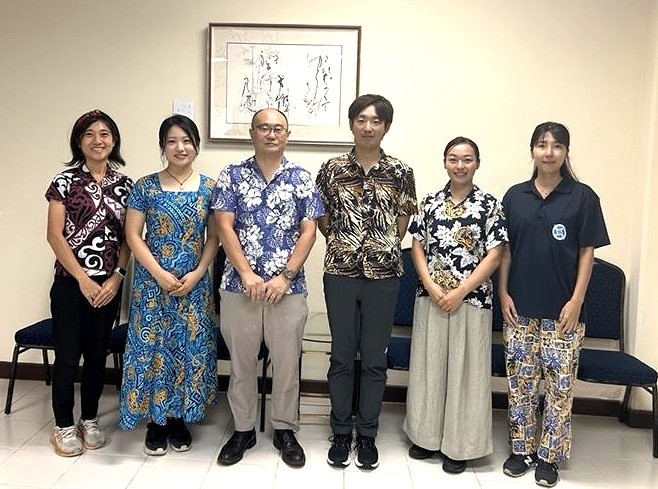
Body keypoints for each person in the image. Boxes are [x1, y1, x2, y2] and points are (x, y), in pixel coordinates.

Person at [499, 122, 610, 487]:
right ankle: (521, 451)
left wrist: (577, 300)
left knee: (559, 389)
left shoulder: (582, 197)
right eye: (542, 145)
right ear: (532, 150)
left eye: (557, 145)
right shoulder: (515, 196)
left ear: (566, 152)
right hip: (519, 309)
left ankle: (549, 457)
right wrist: (503, 293)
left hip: (563, 312)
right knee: (521, 384)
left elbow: (587, 252)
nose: (549, 152)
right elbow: (506, 250)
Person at [212, 108, 323, 468]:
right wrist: (246, 273)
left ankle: (284, 429)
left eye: (278, 129)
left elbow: (309, 231)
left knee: (287, 364)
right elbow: (224, 227)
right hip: (238, 286)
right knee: (242, 364)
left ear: (287, 135)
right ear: (252, 133)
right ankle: (243, 429)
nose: (271, 134)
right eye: (264, 128)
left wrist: (285, 276)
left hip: (287, 289)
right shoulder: (231, 175)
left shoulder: (302, 178)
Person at [316, 94, 417, 470]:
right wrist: (346, 242)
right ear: (351, 124)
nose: (368, 127)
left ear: (386, 127)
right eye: (361, 119)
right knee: (342, 356)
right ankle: (341, 432)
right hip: (340, 273)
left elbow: (402, 222)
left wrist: (378, 245)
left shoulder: (401, 171)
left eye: (376, 121)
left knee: (374, 359)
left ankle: (368, 435)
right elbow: (322, 218)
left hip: (384, 276)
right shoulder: (331, 168)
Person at [402, 137, 507, 473]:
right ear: (445, 162)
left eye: (467, 159)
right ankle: (425, 437)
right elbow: (417, 246)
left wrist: (461, 290)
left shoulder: (490, 205)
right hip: (431, 297)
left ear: (477, 163)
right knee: (429, 367)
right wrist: (431, 285)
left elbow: (495, 254)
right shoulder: (430, 202)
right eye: (453, 158)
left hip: (471, 300)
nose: (460, 165)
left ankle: (460, 446)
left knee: (466, 373)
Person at [118, 115, 219, 456]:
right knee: (154, 349)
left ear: (197, 145)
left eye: (187, 140)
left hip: (194, 285)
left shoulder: (210, 188)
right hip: (152, 285)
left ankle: (179, 419)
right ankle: (156, 422)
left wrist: (199, 273)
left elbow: (214, 239)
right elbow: (133, 235)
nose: (180, 147)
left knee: (188, 348)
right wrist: (159, 274)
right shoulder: (145, 186)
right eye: (172, 141)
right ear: (162, 146)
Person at [45, 109, 132, 457]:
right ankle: (63, 426)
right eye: (89, 134)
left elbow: (128, 239)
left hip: (108, 285)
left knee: (97, 356)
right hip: (71, 284)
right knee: (68, 356)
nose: (98, 140)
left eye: (105, 134)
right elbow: (54, 236)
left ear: (114, 141)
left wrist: (117, 276)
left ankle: (90, 420)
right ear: (78, 142)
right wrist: (82, 279)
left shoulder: (126, 186)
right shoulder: (64, 182)